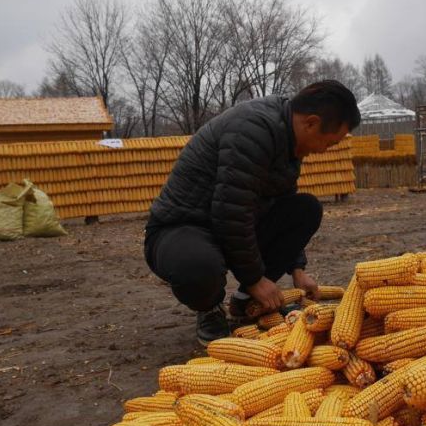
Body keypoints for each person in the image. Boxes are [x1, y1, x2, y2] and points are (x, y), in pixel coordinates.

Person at [144, 80, 361, 344]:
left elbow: (281, 202)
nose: (322, 150)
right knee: (198, 266)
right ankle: (210, 308)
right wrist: (256, 279)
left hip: (227, 224)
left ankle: (246, 301)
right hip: (182, 228)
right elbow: (231, 213)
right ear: (311, 123)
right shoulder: (252, 130)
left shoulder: (288, 137)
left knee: (305, 209)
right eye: (328, 143)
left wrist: (297, 268)